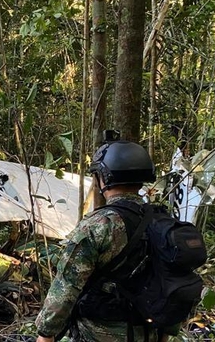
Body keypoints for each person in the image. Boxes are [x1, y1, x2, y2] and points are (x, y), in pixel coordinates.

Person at [34, 139, 170, 342]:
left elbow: (67, 285)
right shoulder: (163, 221)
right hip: (153, 331)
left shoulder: (100, 224)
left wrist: (46, 333)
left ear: (104, 178)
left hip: (100, 332)